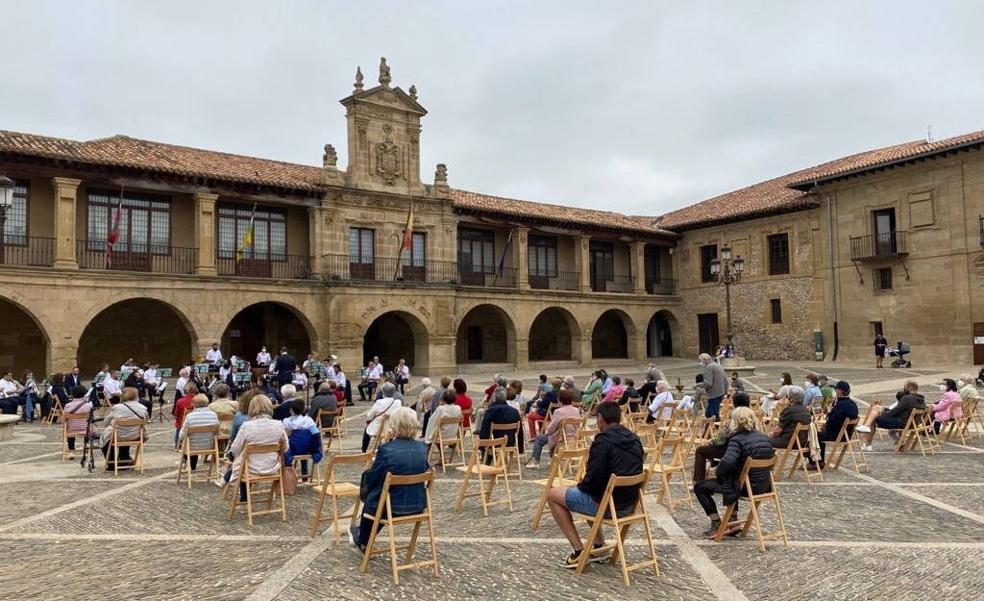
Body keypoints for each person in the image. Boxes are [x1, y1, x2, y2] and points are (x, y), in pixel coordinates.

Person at [546, 401, 644, 568]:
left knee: (553, 495)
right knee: (594, 493)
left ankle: (578, 550)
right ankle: (599, 546)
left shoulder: (602, 441)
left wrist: (580, 486)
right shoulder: (634, 439)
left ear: (600, 419)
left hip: (607, 505)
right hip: (629, 504)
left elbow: (592, 479)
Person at [349, 407, 429, 552]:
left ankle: (363, 540)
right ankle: (362, 535)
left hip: (391, 507)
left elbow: (373, 476)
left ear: (394, 426)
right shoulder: (422, 448)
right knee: (380, 494)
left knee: (373, 496)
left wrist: (387, 443)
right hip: (417, 505)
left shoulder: (387, 450)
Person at [693, 406, 775, 537]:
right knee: (732, 477)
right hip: (764, 486)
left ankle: (716, 523)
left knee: (700, 487)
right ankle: (732, 520)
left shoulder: (737, 439)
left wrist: (717, 471)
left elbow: (727, 463)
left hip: (745, 487)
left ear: (735, 422)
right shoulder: (764, 438)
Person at [220, 394, 289, 502]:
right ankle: (229, 481)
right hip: (272, 468)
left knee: (240, 456)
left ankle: (228, 480)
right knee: (244, 456)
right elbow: (285, 447)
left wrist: (231, 455)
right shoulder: (278, 425)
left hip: (250, 469)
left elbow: (235, 448)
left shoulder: (247, 426)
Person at [693, 392, 751, 482]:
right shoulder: (752, 417)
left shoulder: (733, 418)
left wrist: (711, 442)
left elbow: (720, 439)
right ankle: (715, 464)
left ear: (735, 403)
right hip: (747, 449)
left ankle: (698, 481)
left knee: (701, 450)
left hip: (730, 450)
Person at [856, 380, 926, 451]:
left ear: (909, 388)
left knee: (874, 418)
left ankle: (867, 444)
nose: (904, 389)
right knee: (877, 411)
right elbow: (899, 411)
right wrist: (883, 409)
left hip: (901, 423)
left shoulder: (907, 398)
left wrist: (883, 411)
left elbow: (893, 412)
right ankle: (866, 427)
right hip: (912, 424)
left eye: (905, 387)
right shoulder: (922, 401)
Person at [808, 380, 858, 470]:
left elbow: (834, 421)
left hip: (837, 434)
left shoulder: (841, 405)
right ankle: (820, 461)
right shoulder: (852, 404)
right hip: (847, 434)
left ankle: (815, 462)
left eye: (836, 390)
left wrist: (826, 425)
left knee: (813, 436)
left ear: (839, 391)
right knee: (819, 436)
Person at [525, 388, 580, 468]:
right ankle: (552, 458)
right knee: (553, 436)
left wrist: (547, 430)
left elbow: (551, 430)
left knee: (539, 438)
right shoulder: (576, 410)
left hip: (561, 437)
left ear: (559, 400)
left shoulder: (559, 412)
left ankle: (535, 461)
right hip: (574, 436)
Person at [99, 387, 148, 470]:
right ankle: (124, 459)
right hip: (135, 436)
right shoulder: (143, 408)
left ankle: (112, 463)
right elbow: (145, 420)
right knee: (126, 433)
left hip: (118, 436)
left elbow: (105, 423)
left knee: (108, 438)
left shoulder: (117, 408)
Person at [283, 398, 323, 481]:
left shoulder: (286, 422)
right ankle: (305, 475)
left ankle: (288, 471)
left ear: (291, 410)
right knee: (305, 443)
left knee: (285, 450)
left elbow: (284, 434)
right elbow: (316, 434)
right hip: (307, 449)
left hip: (293, 448)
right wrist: (317, 449)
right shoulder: (308, 420)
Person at [178, 394, 219, 470]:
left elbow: (182, 435)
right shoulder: (213, 415)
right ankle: (191, 466)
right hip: (209, 446)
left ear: (193, 404)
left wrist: (179, 440)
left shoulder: (190, 417)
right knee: (194, 439)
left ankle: (189, 465)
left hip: (193, 447)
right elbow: (217, 432)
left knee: (189, 441)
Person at [478, 387, 524, 455]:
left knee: (488, 435)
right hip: (510, 442)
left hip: (494, 443)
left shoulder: (490, 411)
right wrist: (520, 448)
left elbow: (484, 430)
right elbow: (520, 431)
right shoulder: (514, 412)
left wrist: (482, 446)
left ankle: (487, 460)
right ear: (505, 397)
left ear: (494, 398)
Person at [363, 382, 402, 452]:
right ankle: (389, 444)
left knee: (366, 430)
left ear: (383, 392)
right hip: (392, 428)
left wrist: (368, 419)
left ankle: (364, 449)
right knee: (388, 430)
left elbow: (370, 415)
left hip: (378, 428)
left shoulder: (379, 402)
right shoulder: (398, 402)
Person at [62, 385, 93, 458]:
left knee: (69, 427)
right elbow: (92, 418)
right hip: (86, 430)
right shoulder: (88, 405)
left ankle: (71, 450)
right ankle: (87, 445)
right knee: (89, 426)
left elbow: (63, 420)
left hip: (71, 430)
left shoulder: (67, 405)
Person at [697, 353, 727, 420]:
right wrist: (725, 392)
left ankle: (716, 429)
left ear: (705, 359)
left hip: (714, 394)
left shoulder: (709, 367)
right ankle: (709, 429)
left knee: (712, 414)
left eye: (701, 361)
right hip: (721, 393)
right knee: (710, 413)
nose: (701, 363)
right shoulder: (718, 365)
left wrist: (697, 385)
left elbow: (708, 383)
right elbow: (725, 380)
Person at [173, 383, 197, 449]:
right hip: (196, 423)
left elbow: (176, 415)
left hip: (182, 424)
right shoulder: (199, 400)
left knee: (178, 424)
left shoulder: (180, 401)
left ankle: (177, 445)